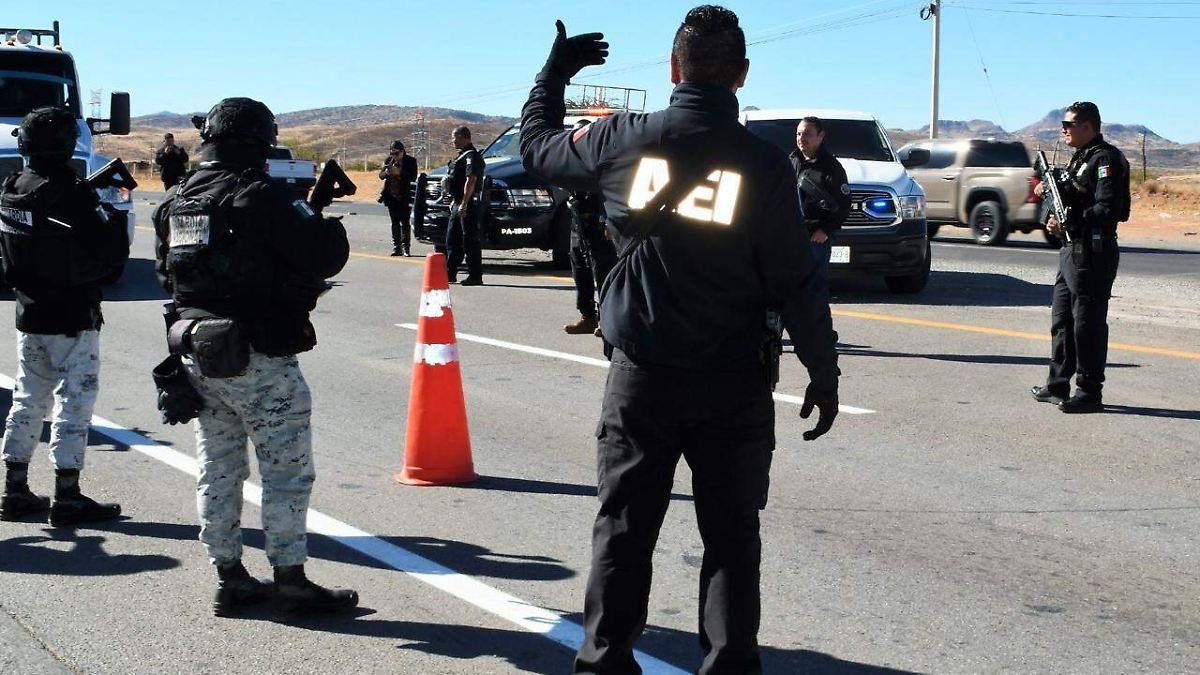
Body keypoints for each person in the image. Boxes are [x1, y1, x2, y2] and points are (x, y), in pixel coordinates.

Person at [519, 7, 840, 673]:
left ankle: (604, 658)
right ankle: (728, 662)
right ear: (742, 76)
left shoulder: (620, 141)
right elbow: (796, 280)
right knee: (730, 536)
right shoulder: (765, 165)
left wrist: (552, 76)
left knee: (624, 529)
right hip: (734, 382)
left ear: (673, 70)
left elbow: (537, 145)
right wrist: (823, 368)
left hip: (643, 378)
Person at [152, 97, 358, 618]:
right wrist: (317, 215)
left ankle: (229, 575)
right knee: (286, 471)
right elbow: (325, 253)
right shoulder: (260, 196)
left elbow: (167, 277)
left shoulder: (175, 200)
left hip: (198, 351)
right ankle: (290, 579)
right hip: (258, 353)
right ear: (258, 141)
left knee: (218, 468)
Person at [0, 107, 129, 525]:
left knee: (27, 400)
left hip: (30, 311)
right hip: (72, 314)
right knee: (74, 403)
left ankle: (14, 488)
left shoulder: (13, 185)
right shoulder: (71, 190)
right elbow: (110, 254)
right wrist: (111, 214)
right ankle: (67, 493)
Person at [1031, 101, 1129, 414]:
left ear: (1087, 126)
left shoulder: (1104, 159)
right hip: (1071, 251)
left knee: (1087, 324)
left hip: (1092, 252)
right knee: (1062, 319)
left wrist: (1071, 221)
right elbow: (1070, 198)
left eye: (1068, 124)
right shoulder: (1081, 159)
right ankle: (1057, 383)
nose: (1063, 130)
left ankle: (1089, 391)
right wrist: (1049, 203)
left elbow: (1110, 209)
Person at [563, 119, 617, 337]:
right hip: (579, 223)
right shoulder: (573, 161)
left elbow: (611, 192)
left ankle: (608, 320)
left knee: (603, 271)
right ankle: (588, 316)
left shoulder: (602, 159)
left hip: (598, 221)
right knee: (580, 269)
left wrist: (607, 221)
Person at [791, 116, 850, 306]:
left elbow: (844, 205)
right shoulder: (791, 161)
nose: (802, 138)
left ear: (820, 136)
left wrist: (825, 230)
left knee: (815, 288)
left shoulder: (831, 168)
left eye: (807, 134)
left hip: (814, 238)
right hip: (789, 237)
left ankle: (817, 332)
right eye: (799, 133)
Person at [444, 126, 485, 285]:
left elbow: (471, 180)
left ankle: (475, 275)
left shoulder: (472, 156)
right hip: (458, 202)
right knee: (452, 239)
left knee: (470, 240)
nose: (452, 141)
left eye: (455, 138)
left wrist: (464, 204)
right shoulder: (460, 157)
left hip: (468, 204)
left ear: (463, 138)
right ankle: (450, 273)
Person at [378, 139, 418, 256]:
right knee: (394, 223)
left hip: (404, 196)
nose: (394, 156)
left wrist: (400, 172)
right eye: (392, 153)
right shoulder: (388, 161)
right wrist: (387, 173)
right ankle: (397, 248)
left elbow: (413, 177)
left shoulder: (410, 161)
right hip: (391, 196)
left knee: (405, 223)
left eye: (397, 153)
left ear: (402, 151)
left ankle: (406, 248)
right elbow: (381, 175)